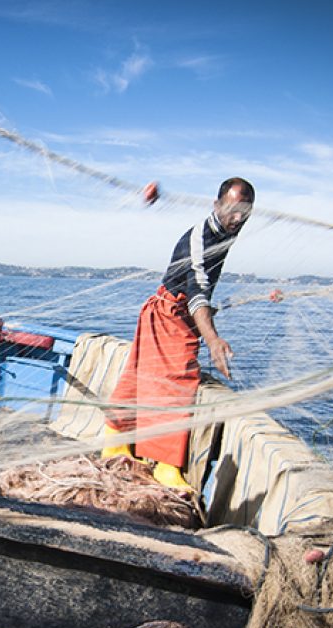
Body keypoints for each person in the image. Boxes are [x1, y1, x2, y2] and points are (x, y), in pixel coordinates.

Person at [102, 177, 255, 491]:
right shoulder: (199, 237)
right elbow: (197, 289)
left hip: (178, 311)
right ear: (217, 205)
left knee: (140, 375)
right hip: (170, 312)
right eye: (233, 210)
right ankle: (166, 467)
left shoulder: (227, 230)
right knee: (178, 379)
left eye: (245, 212)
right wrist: (212, 340)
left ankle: (116, 443)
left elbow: (201, 294)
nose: (238, 218)